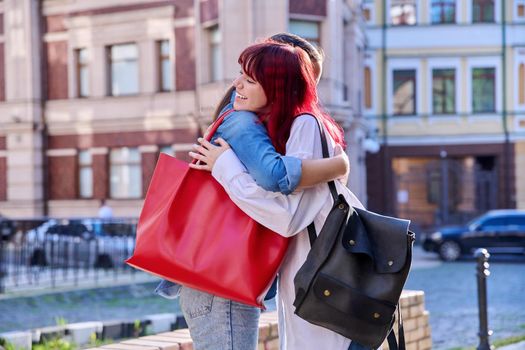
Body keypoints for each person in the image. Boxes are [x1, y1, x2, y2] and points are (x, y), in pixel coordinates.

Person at [155, 36, 349, 350]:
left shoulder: (262, 122)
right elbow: (276, 176)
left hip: (220, 278)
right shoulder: (242, 121)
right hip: (218, 279)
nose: (238, 84)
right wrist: (339, 165)